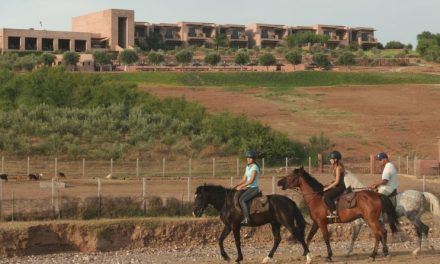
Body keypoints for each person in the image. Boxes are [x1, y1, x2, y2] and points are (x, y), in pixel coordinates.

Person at [234, 150, 260, 225]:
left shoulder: (255, 168)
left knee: (242, 200)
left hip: (254, 188)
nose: (248, 159)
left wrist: (241, 186)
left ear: (254, 159)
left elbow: (250, 181)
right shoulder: (247, 167)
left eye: (250, 158)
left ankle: (247, 219)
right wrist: (236, 186)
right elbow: (244, 179)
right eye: (247, 157)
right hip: (248, 188)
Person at [323, 150, 346, 218]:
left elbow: (337, 181)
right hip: (338, 185)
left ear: (335, 159)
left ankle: (334, 212)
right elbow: (336, 179)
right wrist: (330, 182)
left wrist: (328, 187)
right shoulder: (336, 167)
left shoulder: (338, 168)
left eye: (331, 159)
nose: (330, 160)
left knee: (327, 196)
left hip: (340, 186)